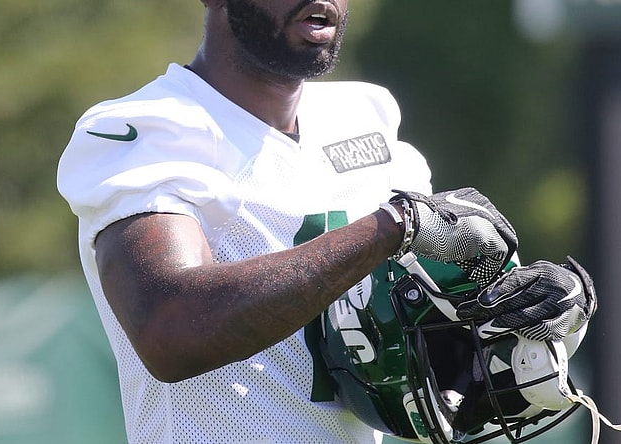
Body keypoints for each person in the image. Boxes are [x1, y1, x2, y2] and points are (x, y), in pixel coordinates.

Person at [57, 1, 593, 442]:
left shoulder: (365, 115)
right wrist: (388, 227)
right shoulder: (148, 128)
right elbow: (170, 329)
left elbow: (433, 311)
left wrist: (534, 303)